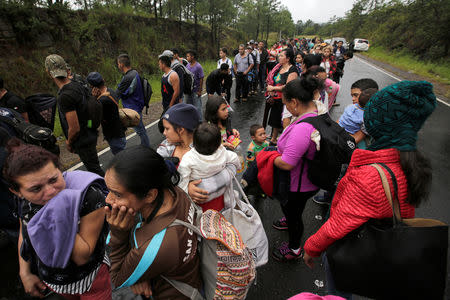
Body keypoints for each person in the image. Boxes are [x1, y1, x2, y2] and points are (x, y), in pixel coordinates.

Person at [303, 81, 436, 299]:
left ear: (380, 123)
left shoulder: (370, 175)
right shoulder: (409, 160)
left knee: (338, 292)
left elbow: (340, 224)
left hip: (353, 248)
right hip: (385, 247)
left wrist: (312, 247)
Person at [4, 140, 110, 299]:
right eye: (36, 189)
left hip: (90, 277)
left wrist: (60, 211)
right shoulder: (25, 201)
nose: (50, 192)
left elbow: (82, 257)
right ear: (17, 191)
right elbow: (24, 229)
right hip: (54, 280)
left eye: (54, 180)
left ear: (60, 170)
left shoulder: (89, 196)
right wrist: (24, 272)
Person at [104, 146, 202, 299]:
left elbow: (118, 278)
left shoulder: (154, 247)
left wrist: (118, 234)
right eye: (108, 190)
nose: (108, 200)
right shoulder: (175, 193)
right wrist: (140, 273)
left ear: (150, 195)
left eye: (117, 194)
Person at [271, 77, 326, 261]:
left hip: (298, 184)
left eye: (286, 104)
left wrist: (270, 158)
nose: (286, 108)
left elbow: (287, 163)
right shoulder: (317, 111)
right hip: (307, 179)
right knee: (293, 211)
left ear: (294, 102)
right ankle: (289, 219)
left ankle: (294, 249)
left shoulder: (303, 128)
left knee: (294, 215)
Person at [45, 54, 104, 176]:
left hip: (83, 140)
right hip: (90, 132)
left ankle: (110, 191)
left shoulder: (65, 96)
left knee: (95, 170)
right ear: (66, 69)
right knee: (95, 167)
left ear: (49, 73)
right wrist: (89, 126)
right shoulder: (77, 84)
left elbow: (75, 127)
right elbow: (86, 109)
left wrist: (69, 142)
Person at [177, 122, 240, 211]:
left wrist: (186, 191)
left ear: (194, 143)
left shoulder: (189, 158)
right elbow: (234, 157)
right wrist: (237, 166)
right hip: (221, 197)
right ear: (218, 143)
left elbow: (182, 179)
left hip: (201, 200)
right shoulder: (221, 152)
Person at [86, 72, 126, 155]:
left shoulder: (102, 101)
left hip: (114, 135)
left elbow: (91, 117)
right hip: (119, 131)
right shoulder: (110, 91)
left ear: (93, 87)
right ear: (103, 80)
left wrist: (93, 99)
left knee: (121, 160)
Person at [266, 47, 299, 145]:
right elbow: (272, 80)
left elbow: (289, 86)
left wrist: (273, 88)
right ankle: (274, 138)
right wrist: (271, 90)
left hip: (285, 99)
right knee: (274, 119)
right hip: (276, 98)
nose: (279, 57)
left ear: (288, 58)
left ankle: (285, 141)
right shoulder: (279, 67)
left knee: (285, 120)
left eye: (281, 56)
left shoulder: (292, 70)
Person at [116, 54, 150, 147]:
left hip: (132, 109)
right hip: (137, 105)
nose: (118, 65)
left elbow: (118, 93)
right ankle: (145, 146)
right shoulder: (135, 73)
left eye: (118, 63)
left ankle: (146, 148)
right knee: (140, 129)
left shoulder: (128, 77)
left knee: (140, 130)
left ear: (122, 64)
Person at [185, 50, 204, 120]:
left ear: (192, 57)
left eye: (188, 56)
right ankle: (191, 120)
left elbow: (201, 78)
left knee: (198, 106)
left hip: (196, 90)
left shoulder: (198, 66)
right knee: (189, 106)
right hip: (189, 90)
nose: (187, 58)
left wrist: (200, 90)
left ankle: (200, 121)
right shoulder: (187, 65)